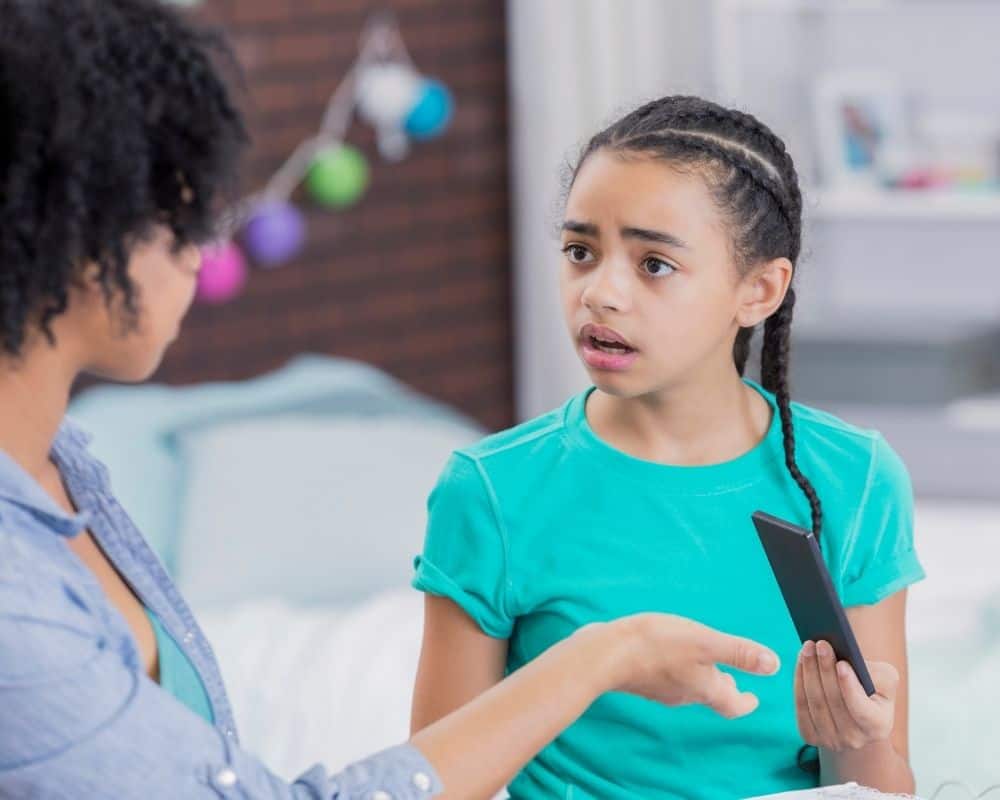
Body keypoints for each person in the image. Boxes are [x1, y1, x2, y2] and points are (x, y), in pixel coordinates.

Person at [0, 3, 783, 798]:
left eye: (655, 263)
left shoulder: (68, 470)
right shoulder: (16, 605)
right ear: (71, 226)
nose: (202, 249)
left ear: (761, 289)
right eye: (175, 215)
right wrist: (597, 660)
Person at [411, 95, 925, 798]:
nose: (600, 293)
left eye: (653, 264)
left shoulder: (854, 480)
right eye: (580, 251)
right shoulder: (492, 491)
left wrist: (853, 737)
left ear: (759, 290)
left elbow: (879, 789)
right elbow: (429, 785)